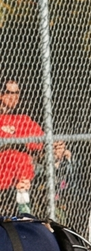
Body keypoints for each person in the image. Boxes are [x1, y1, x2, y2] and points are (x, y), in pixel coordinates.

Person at [0, 79, 45, 218]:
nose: (14, 97)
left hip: (22, 177)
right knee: (16, 157)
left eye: (17, 93)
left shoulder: (22, 119)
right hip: (4, 174)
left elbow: (39, 144)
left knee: (21, 158)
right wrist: (18, 143)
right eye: (9, 92)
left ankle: (25, 216)